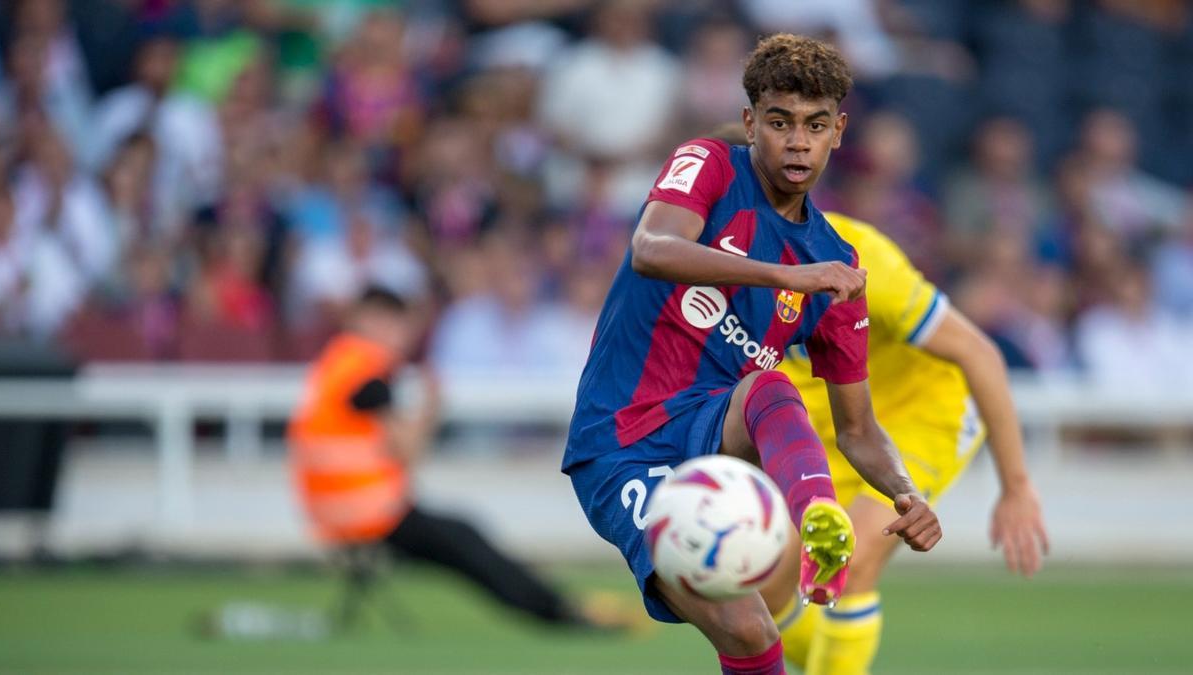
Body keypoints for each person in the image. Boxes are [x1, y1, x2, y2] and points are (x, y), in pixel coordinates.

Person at [563, 34, 940, 675]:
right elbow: (651, 248)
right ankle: (812, 518)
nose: (798, 141)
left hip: (714, 433)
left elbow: (858, 430)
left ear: (838, 132)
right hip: (624, 441)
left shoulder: (836, 266)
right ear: (750, 122)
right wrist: (788, 278)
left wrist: (907, 494)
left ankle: (820, 523)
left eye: (815, 126)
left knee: (770, 392)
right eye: (780, 122)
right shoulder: (708, 164)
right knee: (745, 623)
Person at [760, 211, 1050, 674]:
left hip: (924, 409)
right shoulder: (712, 270)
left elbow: (978, 352)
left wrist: (1015, 487)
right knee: (764, 584)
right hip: (828, 415)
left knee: (848, 558)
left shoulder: (855, 255)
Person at [288, 286, 625, 632]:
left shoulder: (337, 362)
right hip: (367, 512)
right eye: (396, 325)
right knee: (465, 541)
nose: (400, 338)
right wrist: (431, 408)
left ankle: (553, 606)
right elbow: (407, 450)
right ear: (375, 320)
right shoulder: (367, 370)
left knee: (462, 535)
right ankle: (555, 611)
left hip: (331, 509)